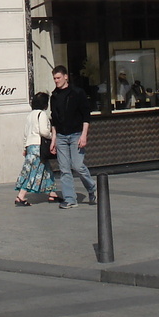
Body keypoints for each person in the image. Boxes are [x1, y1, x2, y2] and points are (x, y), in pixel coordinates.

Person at [50, 65, 97, 209]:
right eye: (54, 78)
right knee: (64, 169)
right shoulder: (54, 96)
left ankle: (92, 188)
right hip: (61, 136)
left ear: (65, 77)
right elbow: (54, 119)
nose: (56, 81)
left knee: (78, 166)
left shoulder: (77, 93)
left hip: (76, 134)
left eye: (58, 78)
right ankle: (70, 199)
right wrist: (54, 139)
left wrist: (84, 135)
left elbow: (86, 115)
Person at [15, 92, 57, 205]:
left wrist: (25, 147)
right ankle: (21, 196)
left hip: (30, 145)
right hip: (39, 146)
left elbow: (25, 133)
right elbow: (43, 131)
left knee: (46, 169)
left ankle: (52, 193)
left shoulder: (30, 115)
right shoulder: (42, 115)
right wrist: (52, 135)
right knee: (33, 171)